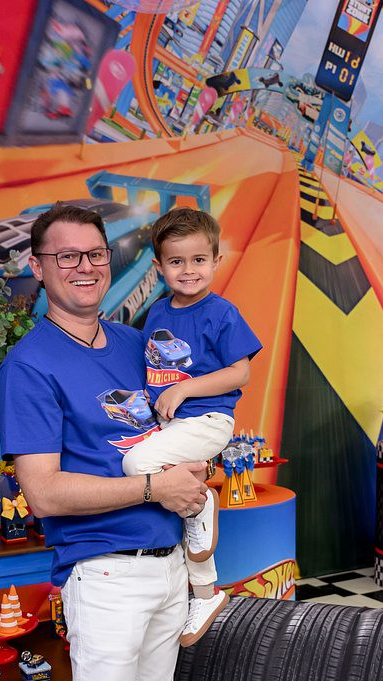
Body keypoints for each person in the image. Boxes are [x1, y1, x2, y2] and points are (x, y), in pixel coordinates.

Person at [0, 203, 211, 681]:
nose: (84, 267)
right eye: (67, 256)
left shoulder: (135, 345)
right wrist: (152, 488)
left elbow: (175, 426)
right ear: (38, 268)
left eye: (94, 253)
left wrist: (193, 462)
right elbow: (42, 492)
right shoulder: (29, 366)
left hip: (170, 565)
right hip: (106, 573)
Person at [122, 207, 262, 646]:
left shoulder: (221, 313)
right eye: (176, 261)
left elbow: (240, 373)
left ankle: (200, 501)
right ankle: (205, 592)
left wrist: (184, 390)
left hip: (206, 420)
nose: (188, 270)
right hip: (172, 426)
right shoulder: (158, 312)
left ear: (216, 261)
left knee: (136, 466)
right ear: (158, 267)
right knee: (177, 501)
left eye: (199, 260)